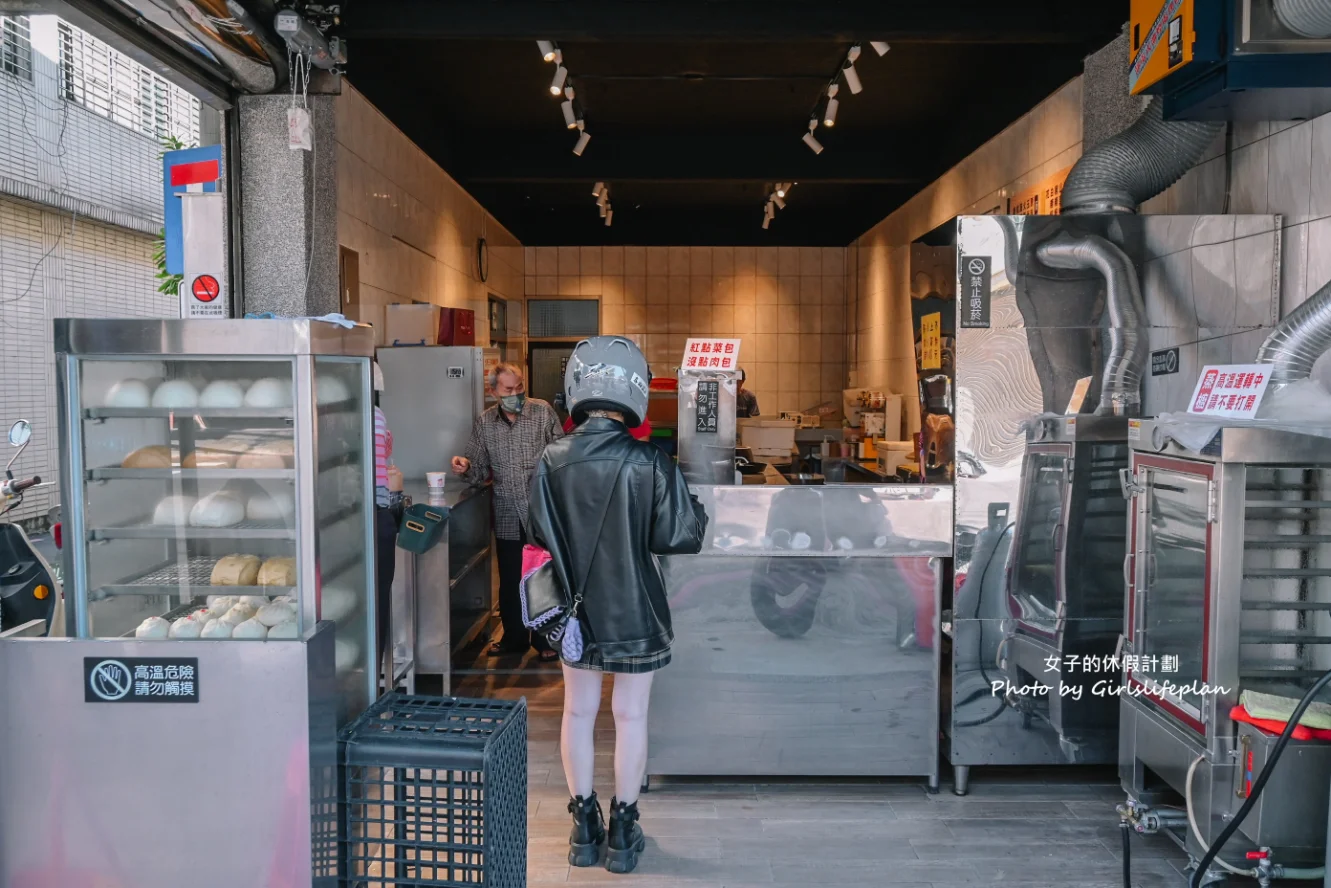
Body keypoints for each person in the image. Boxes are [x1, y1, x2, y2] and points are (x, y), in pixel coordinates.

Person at [526, 336, 708, 874]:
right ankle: (624, 832)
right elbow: (681, 536)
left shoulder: (550, 458)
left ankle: (584, 828)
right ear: (635, 389)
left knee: (577, 712)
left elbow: (536, 530)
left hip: (573, 612)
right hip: (634, 609)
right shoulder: (649, 460)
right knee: (630, 716)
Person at [452, 362, 563, 661]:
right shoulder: (486, 422)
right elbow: (477, 468)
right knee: (512, 577)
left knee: (543, 575)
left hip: (542, 510)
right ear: (493, 391)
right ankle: (514, 638)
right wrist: (465, 466)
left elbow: (563, 457)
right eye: (509, 390)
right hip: (506, 510)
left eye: (520, 388)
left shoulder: (542, 413)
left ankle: (545, 639)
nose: (517, 394)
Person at [372, 360, 403, 687]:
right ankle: (371, 680)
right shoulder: (377, 418)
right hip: (378, 518)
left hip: (350, 522)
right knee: (377, 606)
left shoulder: (329, 420)